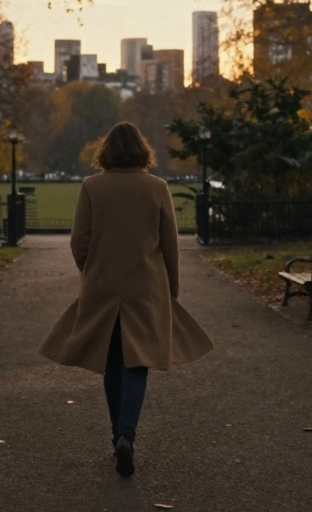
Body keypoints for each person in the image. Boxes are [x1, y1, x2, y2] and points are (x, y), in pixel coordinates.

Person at [38, 122, 213, 478]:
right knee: (138, 363)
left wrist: (90, 270)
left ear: (107, 152)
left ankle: (116, 434)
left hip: (103, 285)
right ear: (141, 150)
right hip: (144, 285)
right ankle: (126, 435)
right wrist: (171, 288)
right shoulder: (157, 188)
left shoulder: (92, 187)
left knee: (112, 359)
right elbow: (169, 246)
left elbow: (79, 241)